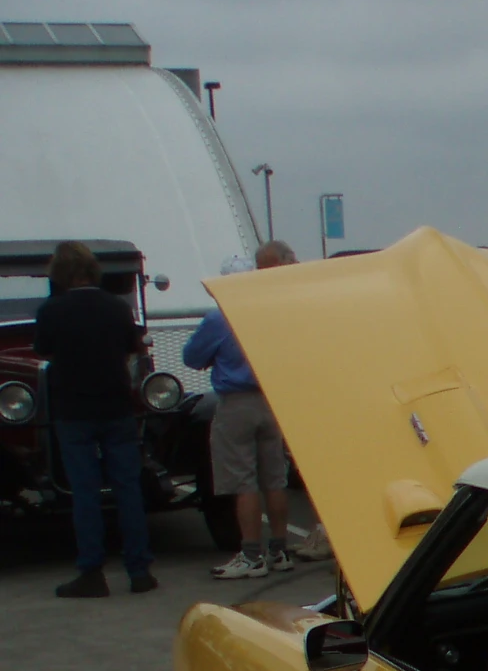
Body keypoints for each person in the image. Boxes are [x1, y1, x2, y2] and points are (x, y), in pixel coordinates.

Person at [33, 241, 156, 597]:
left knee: (85, 492)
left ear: (60, 273)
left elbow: (42, 349)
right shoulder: (117, 307)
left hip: (74, 411)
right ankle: (139, 570)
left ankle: (92, 572)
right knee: (127, 488)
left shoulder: (52, 310)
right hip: (117, 408)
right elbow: (133, 346)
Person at [186, 240, 302, 578]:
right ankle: (279, 550)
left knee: (243, 480)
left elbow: (192, 358)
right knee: (275, 478)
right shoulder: (271, 311)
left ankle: (251, 555)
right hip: (271, 400)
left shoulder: (219, 318)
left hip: (236, 403)